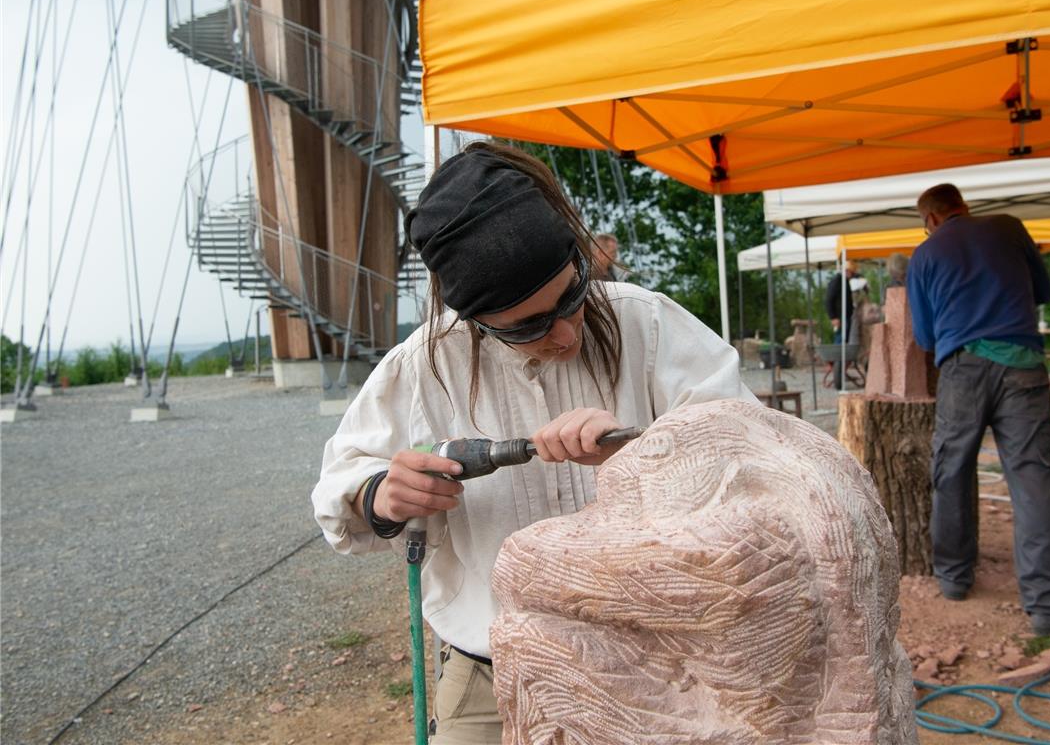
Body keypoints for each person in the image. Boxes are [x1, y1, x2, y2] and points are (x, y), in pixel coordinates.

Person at [312, 141, 756, 745]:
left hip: (658, 659)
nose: (568, 333)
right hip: (491, 667)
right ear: (475, 320)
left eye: (571, 295)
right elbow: (341, 481)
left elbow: (756, 448)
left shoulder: (646, 323)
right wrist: (381, 496)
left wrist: (639, 453)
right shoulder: (423, 366)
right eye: (528, 326)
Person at [906, 182, 1050, 636]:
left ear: (932, 219)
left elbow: (924, 339)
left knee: (952, 471)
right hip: (1022, 363)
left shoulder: (923, 257)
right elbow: (1042, 291)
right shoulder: (1008, 227)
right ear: (962, 206)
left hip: (961, 370)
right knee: (1031, 478)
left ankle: (954, 579)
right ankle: (1046, 607)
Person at [825, 260, 859, 343]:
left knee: (844, 339)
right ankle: (838, 356)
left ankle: (841, 355)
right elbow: (828, 300)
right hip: (840, 317)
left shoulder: (845, 281)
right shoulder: (837, 281)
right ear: (847, 271)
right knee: (840, 339)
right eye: (852, 272)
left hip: (846, 316)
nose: (852, 275)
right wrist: (833, 317)